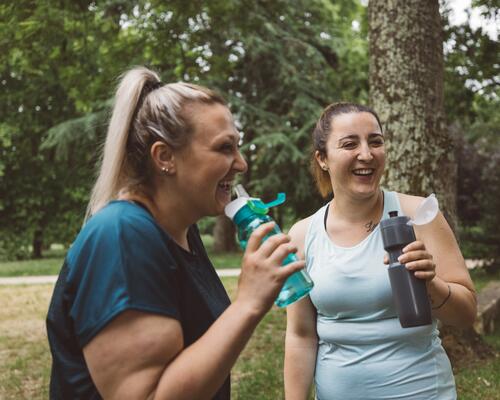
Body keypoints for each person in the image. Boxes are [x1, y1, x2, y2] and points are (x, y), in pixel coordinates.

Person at [46, 66, 305, 400]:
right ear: (165, 156)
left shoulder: (182, 232)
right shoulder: (122, 235)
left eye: (237, 148)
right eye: (225, 148)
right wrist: (248, 304)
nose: (241, 164)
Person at [284, 102, 477, 400]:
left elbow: (466, 315)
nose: (367, 154)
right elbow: (300, 335)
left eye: (376, 141)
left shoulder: (420, 214)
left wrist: (431, 284)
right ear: (322, 159)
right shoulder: (301, 235)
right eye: (350, 144)